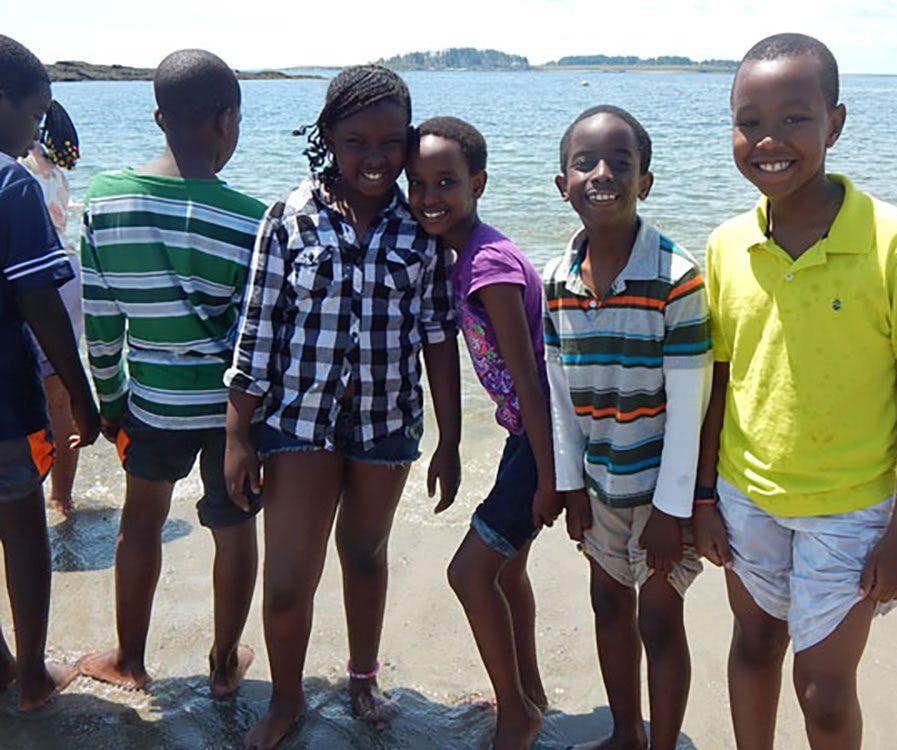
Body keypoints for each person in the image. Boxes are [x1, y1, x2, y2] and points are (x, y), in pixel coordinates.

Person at [692, 33, 897, 750]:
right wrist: (703, 496)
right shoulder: (725, 245)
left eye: (795, 119)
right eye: (749, 121)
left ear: (835, 123)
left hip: (852, 508)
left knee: (826, 691)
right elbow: (720, 378)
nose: (769, 140)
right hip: (746, 498)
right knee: (751, 645)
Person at [224, 65, 461, 750]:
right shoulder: (289, 216)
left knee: (364, 554)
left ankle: (362, 678)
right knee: (291, 576)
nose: (376, 158)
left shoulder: (421, 226)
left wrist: (449, 438)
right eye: (356, 140)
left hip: (386, 422)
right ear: (327, 136)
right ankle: (288, 700)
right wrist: (239, 433)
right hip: (299, 424)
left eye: (392, 142)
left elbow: (438, 334)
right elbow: (258, 328)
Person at [77, 49, 266, 699]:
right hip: (227, 414)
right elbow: (255, 333)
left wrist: (108, 399)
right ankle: (221, 668)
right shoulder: (250, 218)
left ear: (158, 116)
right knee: (234, 529)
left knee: (141, 524)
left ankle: (129, 658)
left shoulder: (103, 202)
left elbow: (100, 323)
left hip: (149, 402)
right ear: (228, 121)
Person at [544, 105, 711, 750]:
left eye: (621, 162)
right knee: (609, 607)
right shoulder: (557, 281)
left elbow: (690, 402)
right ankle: (625, 734)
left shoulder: (676, 278)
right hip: (599, 487)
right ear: (562, 184)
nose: (602, 174)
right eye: (585, 163)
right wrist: (570, 487)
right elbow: (561, 396)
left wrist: (673, 510)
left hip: (660, 493)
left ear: (646, 180)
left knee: (661, 623)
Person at [407, 116, 561, 750]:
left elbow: (531, 381)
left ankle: (516, 717)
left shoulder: (487, 265)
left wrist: (552, 480)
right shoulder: (464, 255)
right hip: (523, 437)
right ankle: (525, 695)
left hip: (539, 441)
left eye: (446, 182)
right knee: (504, 575)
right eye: (416, 184)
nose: (429, 197)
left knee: (470, 574)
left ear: (479, 183)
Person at [0, 33, 99, 710]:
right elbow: (39, 300)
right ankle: (32, 675)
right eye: (34, 113)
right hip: (1, 401)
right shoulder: (11, 183)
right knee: (21, 518)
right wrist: (84, 396)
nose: (38, 128)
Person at [20, 98, 83, 514]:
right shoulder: (53, 164)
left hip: (33, 277)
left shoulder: (16, 163)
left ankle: (22, 496)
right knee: (60, 399)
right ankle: (61, 498)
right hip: (68, 273)